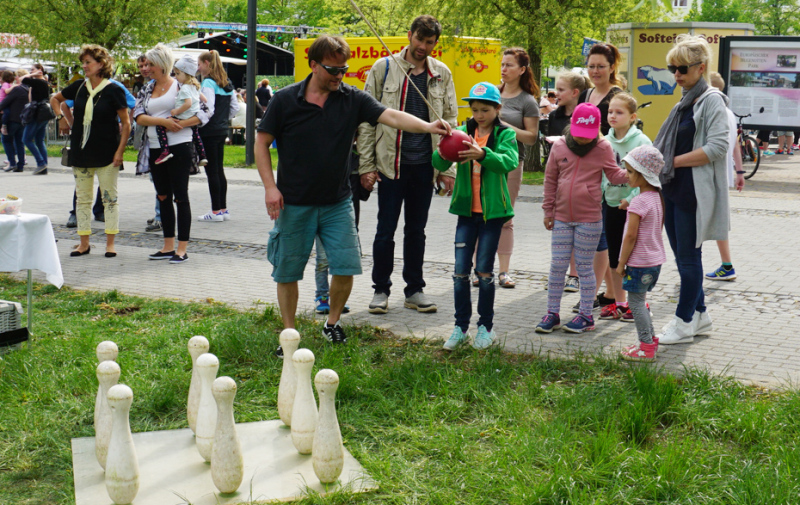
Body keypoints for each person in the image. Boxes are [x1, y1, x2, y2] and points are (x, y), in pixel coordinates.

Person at [254, 34, 451, 351]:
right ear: (313, 65)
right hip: (294, 203)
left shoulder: (352, 98)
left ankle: (331, 324)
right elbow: (261, 142)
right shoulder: (286, 99)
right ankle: (288, 335)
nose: (339, 76)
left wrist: (428, 126)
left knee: (346, 267)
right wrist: (270, 188)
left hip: (337, 202)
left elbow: (391, 116)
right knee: (287, 271)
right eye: (333, 70)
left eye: (343, 69)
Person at [358, 15, 458, 315]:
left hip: (424, 167)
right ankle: (380, 290)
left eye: (429, 42)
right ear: (409, 35)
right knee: (385, 230)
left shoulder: (441, 73)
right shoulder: (384, 67)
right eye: (419, 39)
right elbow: (365, 120)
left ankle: (414, 289)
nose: (423, 47)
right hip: (391, 165)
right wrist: (366, 165)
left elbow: (451, 122)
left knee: (417, 230)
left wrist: (447, 169)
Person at [653, 34, 730, 345]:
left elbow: (718, 146)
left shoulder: (711, 99)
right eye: (672, 68)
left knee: (688, 259)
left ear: (700, 68)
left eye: (682, 69)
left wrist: (671, 161)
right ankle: (699, 315)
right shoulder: (685, 101)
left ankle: (684, 321)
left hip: (693, 191)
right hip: (675, 187)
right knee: (683, 257)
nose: (676, 75)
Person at [435, 82, 518, 350]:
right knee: (460, 273)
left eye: (485, 109)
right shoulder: (461, 131)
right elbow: (440, 163)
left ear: (497, 108)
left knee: (484, 272)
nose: (479, 115)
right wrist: (441, 148)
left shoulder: (504, 134)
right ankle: (460, 328)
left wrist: (483, 153)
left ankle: (486, 328)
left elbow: (509, 162)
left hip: (492, 215)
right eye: (475, 110)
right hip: (466, 213)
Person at [535, 103, 627, 334]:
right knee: (557, 266)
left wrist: (636, 172)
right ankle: (552, 313)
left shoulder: (604, 147)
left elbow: (614, 174)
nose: (584, 140)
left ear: (597, 129)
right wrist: (548, 211)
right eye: (579, 134)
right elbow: (550, 180)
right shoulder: (560, 146)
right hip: (562, 218)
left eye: (588, 135)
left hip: (589, 218)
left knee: (585, 268)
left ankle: (586, 316)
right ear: (571, 126)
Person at [49, 44, 130, 257]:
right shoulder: (78, 87)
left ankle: (110, 244)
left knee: (109, 199)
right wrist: (63, 119)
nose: (84, 66)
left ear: (101, 64)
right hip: (81, 150)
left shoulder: (114, 90)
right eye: (83, 62)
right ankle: (83, 243)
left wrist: (120, 152)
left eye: (88, 62)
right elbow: (55, 99)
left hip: (107, 152)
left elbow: (126, 124)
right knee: (82, 199)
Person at [133, 43, 205, 264]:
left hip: (179, 147)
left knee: (180, 197)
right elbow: (138, 116)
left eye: (150, 64)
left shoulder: (181, 85)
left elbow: (204, 113)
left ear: (162, 65)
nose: (146, 68)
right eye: (145, 65)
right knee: (162, 195)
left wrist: (182, 125)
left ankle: (182, 249)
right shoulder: (147, 88)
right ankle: (167, 246)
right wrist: (162, 121)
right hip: (155, 148)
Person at [575, 42, 625, 314]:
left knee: (600, 237)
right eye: (591, 66)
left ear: (612, 67)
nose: (595, 71)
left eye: (600, 66)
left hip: (607, 174)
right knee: (597, 234)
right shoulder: (586, 94)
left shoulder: (617, 96)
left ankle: (592, 294)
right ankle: (610, 293)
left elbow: (621, 133)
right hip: (585, 171)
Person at [486, 47, 540, 289]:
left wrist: (504, 125)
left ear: (522, 70)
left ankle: (504, 272)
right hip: (485, 160)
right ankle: (480, 270)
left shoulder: (527, 101)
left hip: (511, 163)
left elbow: (531, 138)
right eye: (502, 64)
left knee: (505, 217)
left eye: (509, 65)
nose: (503, 69)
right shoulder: (491, 94)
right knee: (481, 214)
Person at [599, 92, 652, 322]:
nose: (612, 116)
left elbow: (648, 177)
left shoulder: (642, 142)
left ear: (633, 117)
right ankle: (618, 303)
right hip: (609, 204)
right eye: (610, 111)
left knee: (632, 257)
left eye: (619, 112)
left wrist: (630, 199)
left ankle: (636, 303)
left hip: (633, 208)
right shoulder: (603, 141)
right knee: (614, 256)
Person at [62, 74, 136, 228]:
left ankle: (100, 210)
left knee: (106, 186)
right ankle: (76, 214)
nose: (84, 66)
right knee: (82, 189)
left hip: (106, 143)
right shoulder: (81, 86)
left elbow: (133, 104)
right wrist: (71, 123)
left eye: (89, 62)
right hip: (83, 144)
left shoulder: (115, 87)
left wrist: (124, 122)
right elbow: (63, 104)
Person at [616, 146, 667, 362]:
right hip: (654, 261)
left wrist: (621, 264)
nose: (626, 176)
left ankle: (645, 347)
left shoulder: (638, 203)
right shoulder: (657, 198)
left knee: (635, 304)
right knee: (641, 300)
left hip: (638, 262)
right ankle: (650, 341)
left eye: (629, 172)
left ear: (642, 174)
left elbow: (630, 237)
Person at [547, 72, 588, 292]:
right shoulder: (555, 116)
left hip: (582, 180)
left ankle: (575, 275)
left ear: (574, 93)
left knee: (577, 231)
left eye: (561, 90)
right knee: (561, 230)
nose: (556, 94)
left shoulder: (586, 114)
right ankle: (557, 274)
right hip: (562, 178)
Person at [705, 71, 745, 282]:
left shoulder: (714, 109)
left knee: (706, 218)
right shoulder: (728, 112)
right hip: (724, 173)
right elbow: (736, 145)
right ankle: (725, 263)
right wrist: (739, 172)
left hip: (712, 173)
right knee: (717, 219)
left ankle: (724, 264)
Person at [197, 50, 239, 222]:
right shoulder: (226, 82)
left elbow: (209, 109)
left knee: (211, 171)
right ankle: (223, 209)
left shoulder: (208, 83)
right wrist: (223, 120)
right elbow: (234, 108)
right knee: (219, 170)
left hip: (209, 131)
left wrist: (198, 123)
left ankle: (215, 211)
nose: (198, 68)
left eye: (199, 64)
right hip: (222, 130)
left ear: (207, 63)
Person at [152, 55, 207, 167]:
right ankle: (202, 156)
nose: (176, 77)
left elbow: (188, 103)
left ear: (186, 74)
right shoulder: (195, 86)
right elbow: (205, 100)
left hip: (184, 115)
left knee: (160, 127)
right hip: (193, 114)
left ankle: (165, 150)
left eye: (178, 74)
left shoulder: (185, 88)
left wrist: (176, 111)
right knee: (196, 135)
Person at [21, 63, 51, 175]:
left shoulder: (38, 82)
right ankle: (44, 166)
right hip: (43, 114)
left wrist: (32, 74)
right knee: (39, 140)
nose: (30, 71)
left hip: (36, 114)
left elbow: (22, 80)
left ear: (40, 70)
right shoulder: (45, 82)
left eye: (32, 69)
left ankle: (41, 163)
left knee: (26, 139)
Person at [0, 71, 27, 173]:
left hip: (12, 119)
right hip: (22, 120)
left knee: (6, 140)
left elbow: (5, 102)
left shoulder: (17, 89)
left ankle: (12, 163)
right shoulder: (27, 89)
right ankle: (20, 165)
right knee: (19, 142)